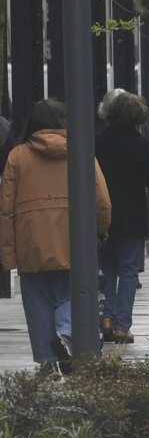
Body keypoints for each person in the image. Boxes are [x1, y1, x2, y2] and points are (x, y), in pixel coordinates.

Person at [0, 100, 112, 370]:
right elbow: (101, 200)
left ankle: (47, 362)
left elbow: (5, 209)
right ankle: (66, 333)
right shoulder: (81, 152)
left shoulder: (17, 156)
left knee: (36, 300)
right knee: (70, 292)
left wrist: (8, 253)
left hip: (31, 241)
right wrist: (100, 231)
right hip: (73, 240)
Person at [94, 92, 149, 343]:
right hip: (132, 216)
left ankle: (107, 318)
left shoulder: (97, 141)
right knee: (129, 270)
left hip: (103, 214)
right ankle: (122, 325)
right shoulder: (143, 145)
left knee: (107, 266)